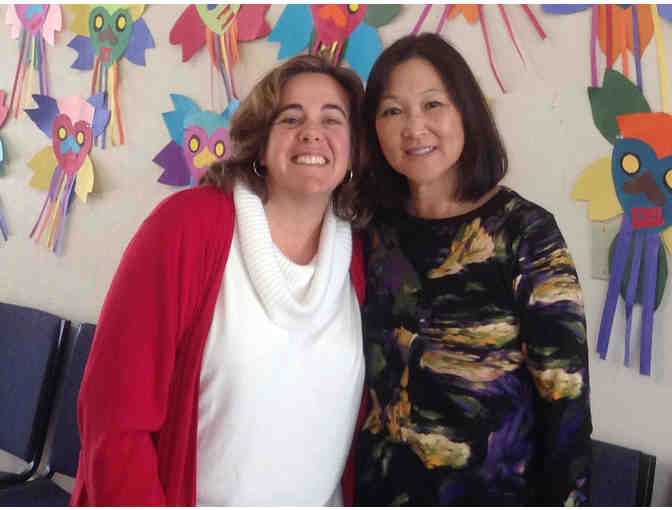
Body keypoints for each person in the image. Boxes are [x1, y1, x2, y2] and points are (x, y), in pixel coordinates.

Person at [71, 55, 371, 506]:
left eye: (332, 119)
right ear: (261, 144)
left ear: (353, 149)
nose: (312, 132)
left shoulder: (360, 256)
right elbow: (114, 416)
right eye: (291, 118)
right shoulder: (189, 226)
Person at [355, 33, 592, 506]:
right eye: (393, 111)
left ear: (466, 111)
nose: (414, 128)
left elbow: (565, 403)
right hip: (381, 491)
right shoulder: (369, 230)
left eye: (432, 104)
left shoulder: (525, 233)